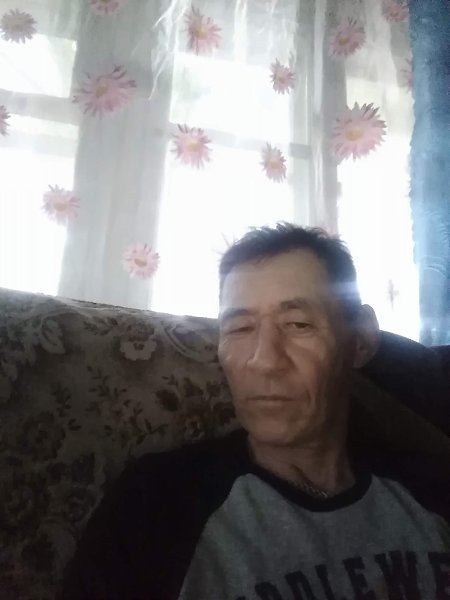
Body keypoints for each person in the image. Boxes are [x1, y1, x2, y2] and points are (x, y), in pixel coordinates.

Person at [61, 223, 450, 600]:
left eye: (298, 324)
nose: (263, 361)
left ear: (360, 339)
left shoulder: (430, 488)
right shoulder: (156, 505)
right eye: (240, 328)